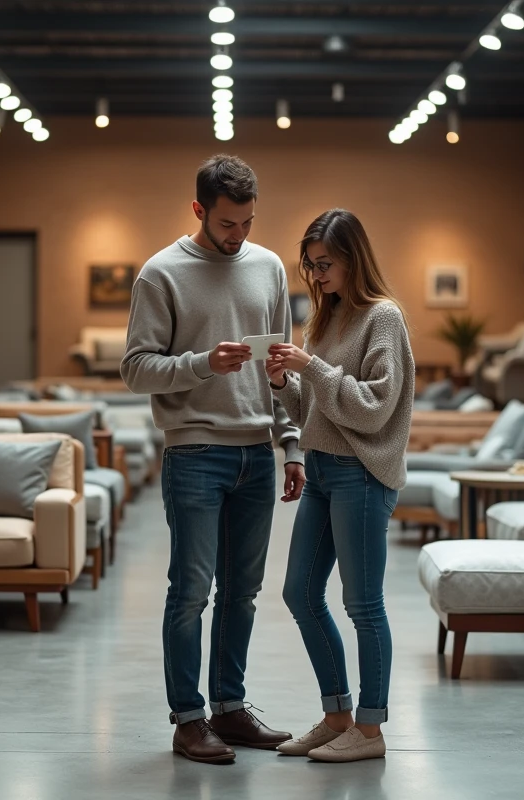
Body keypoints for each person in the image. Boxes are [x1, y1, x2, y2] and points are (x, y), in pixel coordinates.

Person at [120, 154, 306, 765]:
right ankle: (188, 719)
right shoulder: (160, 274)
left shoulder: (270, 267)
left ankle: (230, 708)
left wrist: (290, 443)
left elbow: (278, 367)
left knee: (243, 593)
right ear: (199, 210)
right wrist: (203, 363)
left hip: (257, 453)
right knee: (191, 590)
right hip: (195, 452)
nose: (239, 235)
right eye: (228, 224)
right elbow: (135, 368)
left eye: (249, 222)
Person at [266, 208, 415, 763]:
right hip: (325, 471)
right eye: (310, 265)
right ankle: (336, 716)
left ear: (354, 258)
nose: (317, 275)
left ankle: (370, 731)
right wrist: (284, 382)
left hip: (362, 475)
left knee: (363, 604)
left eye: (325, 264)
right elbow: (316, 410)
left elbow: (375, 409)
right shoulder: (324, 320)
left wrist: (312, 368)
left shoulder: (385, 319)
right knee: (299, 593)